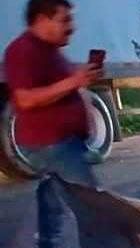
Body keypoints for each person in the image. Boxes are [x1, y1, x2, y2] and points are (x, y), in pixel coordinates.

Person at [3, 0, 102, 186]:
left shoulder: (51, 50)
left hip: (63, 143)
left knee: (59, 200)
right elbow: (25, 99)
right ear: (42, 20)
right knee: (89, 198)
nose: (72, 27)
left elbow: (63, 88)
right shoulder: (22, 50)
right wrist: (74, 81)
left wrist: (81, 80)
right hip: (51, 145)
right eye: (65, 20)